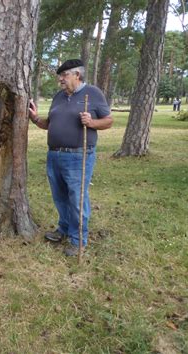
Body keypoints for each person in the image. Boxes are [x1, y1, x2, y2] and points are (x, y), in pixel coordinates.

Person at [28, 59, 113, 256]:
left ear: (77, 75)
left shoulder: (92, 93)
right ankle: (64, 229)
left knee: (77, 198)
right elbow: (49, 124)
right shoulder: (59, 97)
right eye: (60, 75)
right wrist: (34, 117)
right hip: (54, 155)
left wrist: (91, 122)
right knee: (60, 197)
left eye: (64, 75)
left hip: (78, 156)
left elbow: (108, 121)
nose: (60, 79)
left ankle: (78, 240)